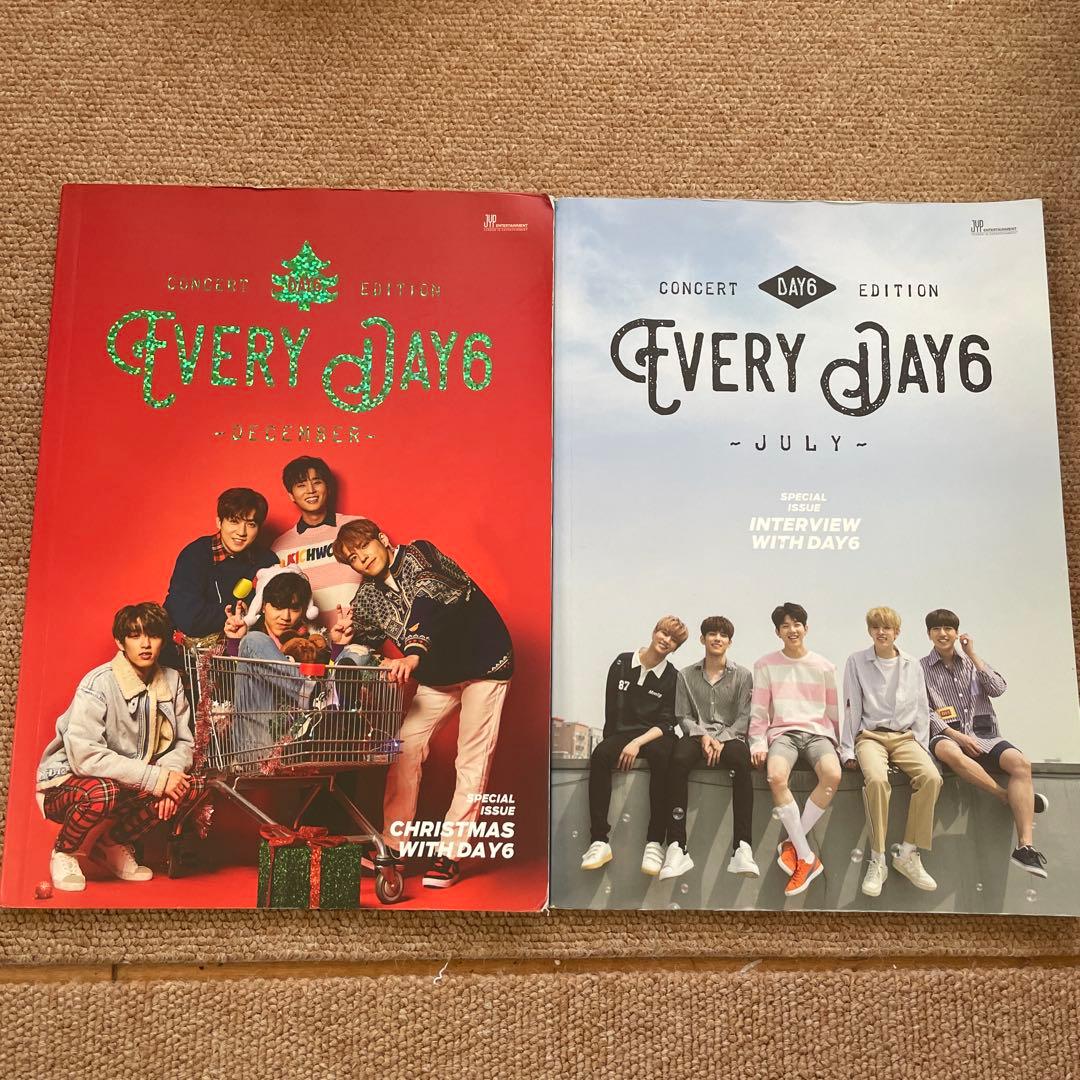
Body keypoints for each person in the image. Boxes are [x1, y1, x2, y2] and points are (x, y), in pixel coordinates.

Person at [331, 519, 514, 888]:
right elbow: (364, 644)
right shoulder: (367, 596)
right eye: (352, 558)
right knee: (405, 748)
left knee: (471, 758)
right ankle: (394, 848)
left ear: (382, 539)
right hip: (439, 676)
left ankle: (451, 854)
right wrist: (344, 639)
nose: (361, 559)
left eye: (364, 547)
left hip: (485, 665)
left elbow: (429, 600)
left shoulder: (421, 554)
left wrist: (413, 653)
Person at [36, 603, 204, 892]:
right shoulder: (98, 683)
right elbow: (85, 757)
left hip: (127, 781)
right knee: (104, 791)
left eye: (153, 635)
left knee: (191, 785)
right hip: (67, 783)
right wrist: (157, 779)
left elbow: (183, 742)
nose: (145, 644)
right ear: (120, 642)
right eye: (135, 636)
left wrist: (170, 778)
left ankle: (112, 845)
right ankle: (64, 852)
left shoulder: (172, 680)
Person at [921, 609, 1049, 878]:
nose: (943, 633)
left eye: (948, 628)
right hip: (948, 735)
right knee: (946, 750)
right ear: (929, 634)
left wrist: (973, 655)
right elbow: (923, 711)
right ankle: (1005, 796)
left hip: (986, 736)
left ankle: (1025, 847)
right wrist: (956, 736)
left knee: (1020, 763)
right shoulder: (919, 668)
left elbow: (998, 688)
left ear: (957, 632)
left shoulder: (972, 663)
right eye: (936, 629)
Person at [841, 607, 942, 896]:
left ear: (897, 632)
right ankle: (878, 859)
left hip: (905, 737)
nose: (881, 632)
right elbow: (852, 707)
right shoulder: (856, 661)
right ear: (869, 631)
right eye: (876, 627)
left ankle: (907, 853)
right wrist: (847, 749)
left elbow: (921, 708)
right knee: (876, 780)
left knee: (932, 778)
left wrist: (922, 746)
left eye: (886, 628)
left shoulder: (912, 664)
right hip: (870, 737)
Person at [580, 616, 689, 877]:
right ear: (654, 631)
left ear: (676, 648)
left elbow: (667, 722)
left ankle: (655, 843)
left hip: (655, 735)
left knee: (663, 757)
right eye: (664, 633)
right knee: (600, 755)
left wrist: (637, 743)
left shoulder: (673, 677)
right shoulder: (621, 662)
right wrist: (613, 745)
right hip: (622, 733)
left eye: (673, 640)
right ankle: (599, 841)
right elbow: (611, 708)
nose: (666, 640)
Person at [749, 602, 841, 898]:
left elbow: (833, 712)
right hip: (783, 734)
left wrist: (840, 746)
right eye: (785, 626)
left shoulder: (825, 666)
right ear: (778, 632)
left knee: (832, 775)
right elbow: (759, 711)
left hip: (818, 734)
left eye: (797, 624)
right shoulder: (765, 665)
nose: (792, 630)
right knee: (775, 776)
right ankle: (806, 856)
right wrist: (757, 742)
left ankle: (794, 845)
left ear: (806, 628)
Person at [662, 615, 759, 881]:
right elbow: (682, 715)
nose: (717, 638)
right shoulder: (685, 675)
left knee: (741, 760)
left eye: (723, 635)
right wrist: (703, 736)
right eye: (712, 634)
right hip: (696, 737)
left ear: (730, 642)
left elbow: (744, 717)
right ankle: (677, 846)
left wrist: (721, 739)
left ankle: (742, 847)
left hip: (731, 738)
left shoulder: (743, 676)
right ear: (702, 639)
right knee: (678, 759)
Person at [221, 566, 321, 755]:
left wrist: (340, 646)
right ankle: (312, 695)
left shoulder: (309, 643)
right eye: (278, 606)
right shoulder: (251, 641)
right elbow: (230, 692)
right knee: (253, 640)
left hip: (297, 743)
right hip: (257, 744)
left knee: (355, 653)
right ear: (263, 605)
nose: (286, 617)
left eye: (294, 608)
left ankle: (315, 697)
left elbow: (333, 676)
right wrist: (236, 643)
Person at [164, 487, 278, 639]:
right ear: (219, 522)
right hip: (186, 648)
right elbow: (190, 620)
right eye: (234, 522)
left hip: (239, 647)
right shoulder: (195, 555)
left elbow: (274, 619)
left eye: (251, 524)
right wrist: (241, 610)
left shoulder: (266, 561)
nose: (241, 532)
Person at [270, 457, 364, 630]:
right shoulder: (279, 547)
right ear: (291, 495)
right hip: (307, 641)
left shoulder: (356, 527)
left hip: (358, 635)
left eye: (317, 482)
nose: (311, 490)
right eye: (301, 485)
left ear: (327, 487)